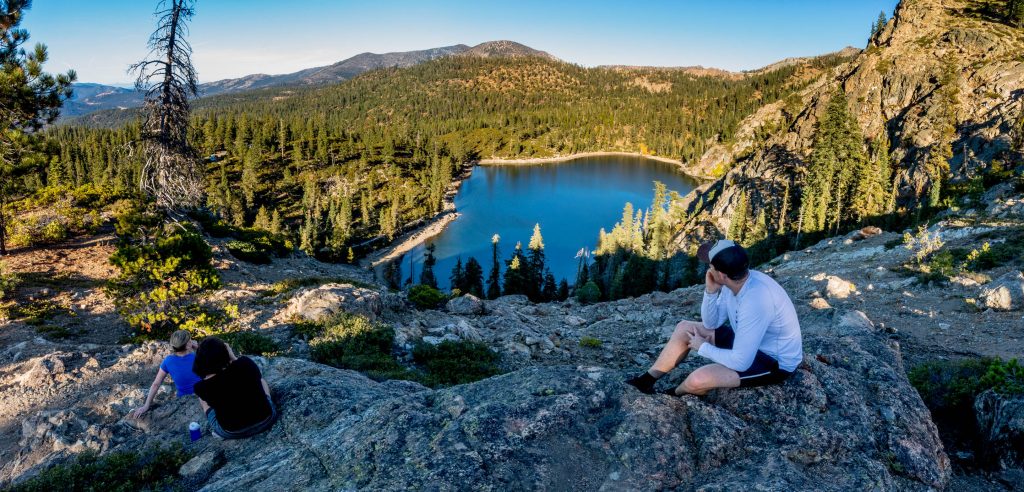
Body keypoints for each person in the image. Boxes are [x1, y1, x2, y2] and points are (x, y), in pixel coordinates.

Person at [626, 239, 803, 396]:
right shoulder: (734, 282)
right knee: (684, 328)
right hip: (748, 341)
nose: (708, 268)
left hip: (773, 362)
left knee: (697, 380)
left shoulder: (756, 301)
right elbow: (711, 323)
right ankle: (646, 382)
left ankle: (670, 397)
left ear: (722, 275)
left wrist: (702, 347)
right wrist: (711, 292)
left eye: (711, 266)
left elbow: (741, 362)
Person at [192, 337, 277, 439]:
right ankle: (266, 401)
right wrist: (232, 357)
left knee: (202, 399)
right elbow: (245, 369)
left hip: (232, 431)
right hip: (266, 419)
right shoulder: (245, 364)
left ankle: (219, 432)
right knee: (261, 380)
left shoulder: (201, 387)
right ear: (226, 353)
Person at [130, 330, 202, 419]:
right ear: (188, 344)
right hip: (202, 396)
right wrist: (198, 348)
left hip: (182, 400)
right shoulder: (199, 356)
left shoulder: (168, 360)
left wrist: (146, 405)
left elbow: (156, 384)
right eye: (190, 340)